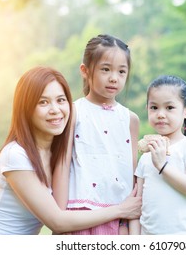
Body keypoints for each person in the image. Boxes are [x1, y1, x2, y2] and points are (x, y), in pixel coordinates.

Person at [0, 66, 141, 235]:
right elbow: (57, 222)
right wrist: (120, 210)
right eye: (43, 102)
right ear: (26, 108)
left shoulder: (57, 154)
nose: (55, 110)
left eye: (61, 100)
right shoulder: (16, 155)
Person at [52, 34, 140, 235]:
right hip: (79, 215)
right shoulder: (74, 112)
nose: (113, 78)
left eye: (121, 71)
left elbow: (132, 174)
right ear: (85, 70)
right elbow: (63, 164)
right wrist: (60, 215)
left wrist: (128, 225)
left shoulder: (130, 119)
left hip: (119, 221)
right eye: (105, 69)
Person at [129, 75, 186, 235]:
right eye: (154, 107)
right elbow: (137, 206)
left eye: (170, 108)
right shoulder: (145, 156)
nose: (160, 114)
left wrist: (163, 166)